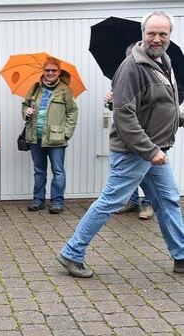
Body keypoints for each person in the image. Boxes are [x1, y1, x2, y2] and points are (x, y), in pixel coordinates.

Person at [58, 11, 184, 278]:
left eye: (163, 34)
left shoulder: (165, 61)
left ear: (170, 36)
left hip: (155, 149)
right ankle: (72, 252)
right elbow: (124, 115)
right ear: (143, 34)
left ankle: (181, 256)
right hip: (135, 152)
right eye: (152, 33)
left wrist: (177, 118)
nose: (157, 38)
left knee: (168, 200)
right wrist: (150, 151)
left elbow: (162, 103)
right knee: (111, 201)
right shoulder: (132, 68)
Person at [22, 56, 78, 214]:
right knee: (39, 171)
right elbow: (25, 105)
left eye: (54, 70)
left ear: (59, 72)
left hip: (56, 138)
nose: (50, 73)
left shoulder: (65, 90)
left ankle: (57, 202)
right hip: (35, 136)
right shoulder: (34, 88)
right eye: (47, 70)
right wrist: (26, 111)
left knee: (58, 171)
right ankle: (38, 200)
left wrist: (66, 134)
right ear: (43, 71)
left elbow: (72, 112)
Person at [104, 91, 154, 220]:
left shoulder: (154, 79)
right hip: (130, 137)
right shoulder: (124, 78)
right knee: (131, 172)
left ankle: (148, 203)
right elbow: (124, 110)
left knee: (148, 173)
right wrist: (113, 102)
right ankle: (132, 201)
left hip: (150, 135)